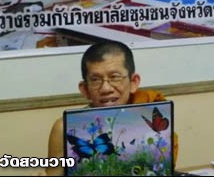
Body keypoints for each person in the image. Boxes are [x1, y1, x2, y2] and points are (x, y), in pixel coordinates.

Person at [45, 40, 178, 176]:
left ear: (133, 82)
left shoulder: (147, 117)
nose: (106, 88)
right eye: (95, 80)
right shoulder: (64, 128)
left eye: (115, 77)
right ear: (85, 89)